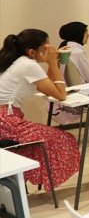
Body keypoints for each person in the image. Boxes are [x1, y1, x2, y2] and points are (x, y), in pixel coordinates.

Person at [0, 29, 80, 191]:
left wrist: (52, 62)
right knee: (64, 138)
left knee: (40, 140)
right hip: (7, 122)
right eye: (46, 49)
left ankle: (22, 181)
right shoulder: (28, 65)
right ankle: (37, 180)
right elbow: (60, 94)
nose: (50, 51)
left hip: (5, 119)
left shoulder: (17, 62)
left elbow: (50, 86)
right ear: (32, 51)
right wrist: (52, 62)